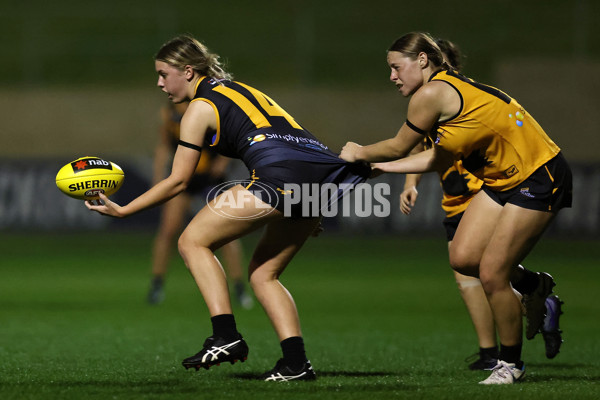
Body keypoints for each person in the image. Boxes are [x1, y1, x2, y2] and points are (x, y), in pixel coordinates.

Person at [87, 34, 369, 381]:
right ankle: (296, 364)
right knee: (264, 274)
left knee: (192, 241)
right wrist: (313, 200)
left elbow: (178, 181)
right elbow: (294, 134)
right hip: (317, 172)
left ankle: (226, 336)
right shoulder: (242, 90)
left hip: (279, 175)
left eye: (163, 74)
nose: (160, 84)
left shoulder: (199, 108)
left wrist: (124, 210)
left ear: (188, 71)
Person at [340, 32, 572, 384]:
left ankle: (510, 365)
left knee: (493, 273)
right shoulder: (447, 89)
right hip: (502, 181)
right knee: (464, 258)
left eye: (396, 67)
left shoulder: (431, 93)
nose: (392, 76)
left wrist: (360, 152)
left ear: (421, 60)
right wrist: (382, 170)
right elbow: (438, 156)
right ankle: (533, 286)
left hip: (538, 176)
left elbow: (400, 146)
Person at [398, 38, 563, 369]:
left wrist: (373, 162)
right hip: (453, 199)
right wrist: (410, 183)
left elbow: (430, 149)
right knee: (471, 274)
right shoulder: (429, 103)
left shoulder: (458, 100)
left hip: (482, 192)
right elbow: (418, 146)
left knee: (486, 275)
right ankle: (529, 304)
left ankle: (501, 355)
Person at [148, 101, 253, 310]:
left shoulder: (207, 106)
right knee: (168, 230)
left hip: (211, 178)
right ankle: (156, 285)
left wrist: (223, 161)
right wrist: (158, 176)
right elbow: (164, 145)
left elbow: (228, 139)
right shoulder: (168, 112)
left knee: (227, 236)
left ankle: (240, 288)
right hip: (183, 176)